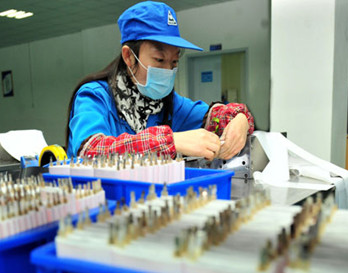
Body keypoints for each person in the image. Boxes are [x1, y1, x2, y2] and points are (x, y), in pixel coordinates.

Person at [66, 1, 254, 161]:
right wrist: (172, 141)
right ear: (129, 57)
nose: (168, 71)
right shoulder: (94, 97)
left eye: (174, 62)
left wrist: (240, 119)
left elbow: (217, 116)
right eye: (159, 60)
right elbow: (91, 151)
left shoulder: (169, 105)